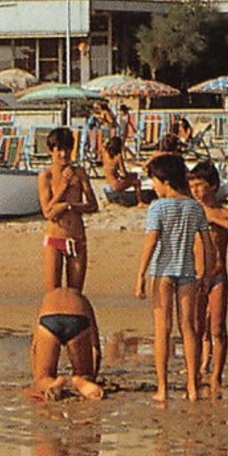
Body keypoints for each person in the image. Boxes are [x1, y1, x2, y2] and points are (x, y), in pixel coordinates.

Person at [135, 152, 210, 402]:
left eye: (154, 181)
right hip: (187, 271)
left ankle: (163, 388)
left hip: (163, 271)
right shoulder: (194, 207)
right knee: (189, 329)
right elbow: (207, 243)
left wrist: (140, 274)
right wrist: (207, 272)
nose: (153, 187)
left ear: (164, 181)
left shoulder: (157, 207)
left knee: (162, 330)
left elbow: (152, 240)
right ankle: (191, 386)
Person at [190, 160, 228, 398]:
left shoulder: (225, 212)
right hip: (194, 277)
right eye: (192, 186)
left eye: (200, 185)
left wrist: (215, 221)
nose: (195, 191)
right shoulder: (191, 212)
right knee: (196, 327)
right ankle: (197, 371)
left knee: (218, 328)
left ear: (212, 186)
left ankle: (216, 377)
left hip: (218, 276)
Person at [38, 127, 97, 292]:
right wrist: (63, 187)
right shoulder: (46, 176)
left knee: (75, 293)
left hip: (76, 237)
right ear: (51, 151)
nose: (63, 154)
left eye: (67, 149)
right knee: (52, 293)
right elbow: (48, 212)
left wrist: (71, 206)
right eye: (59, 150)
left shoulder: (79, 173)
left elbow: (93, 205)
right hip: (55, 238)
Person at [26, 285, 104, 401]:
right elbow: (96, 348)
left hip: (49, 318)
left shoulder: (48, 297)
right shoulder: (83, 299)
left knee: (44, 378)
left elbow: (34, 347)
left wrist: (38, 377)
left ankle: (54, 384)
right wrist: (91, 376)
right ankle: (80, 381)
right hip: (78, 318)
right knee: (83, 375)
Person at [100, 135, 152, 206]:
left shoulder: (104, 153)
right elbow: (124, 173)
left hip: (108, 182)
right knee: (137, 182)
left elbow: (103, 145)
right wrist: (132, 175)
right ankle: (140, 202)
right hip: (116, 185)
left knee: (132, 177)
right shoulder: (118, 157)